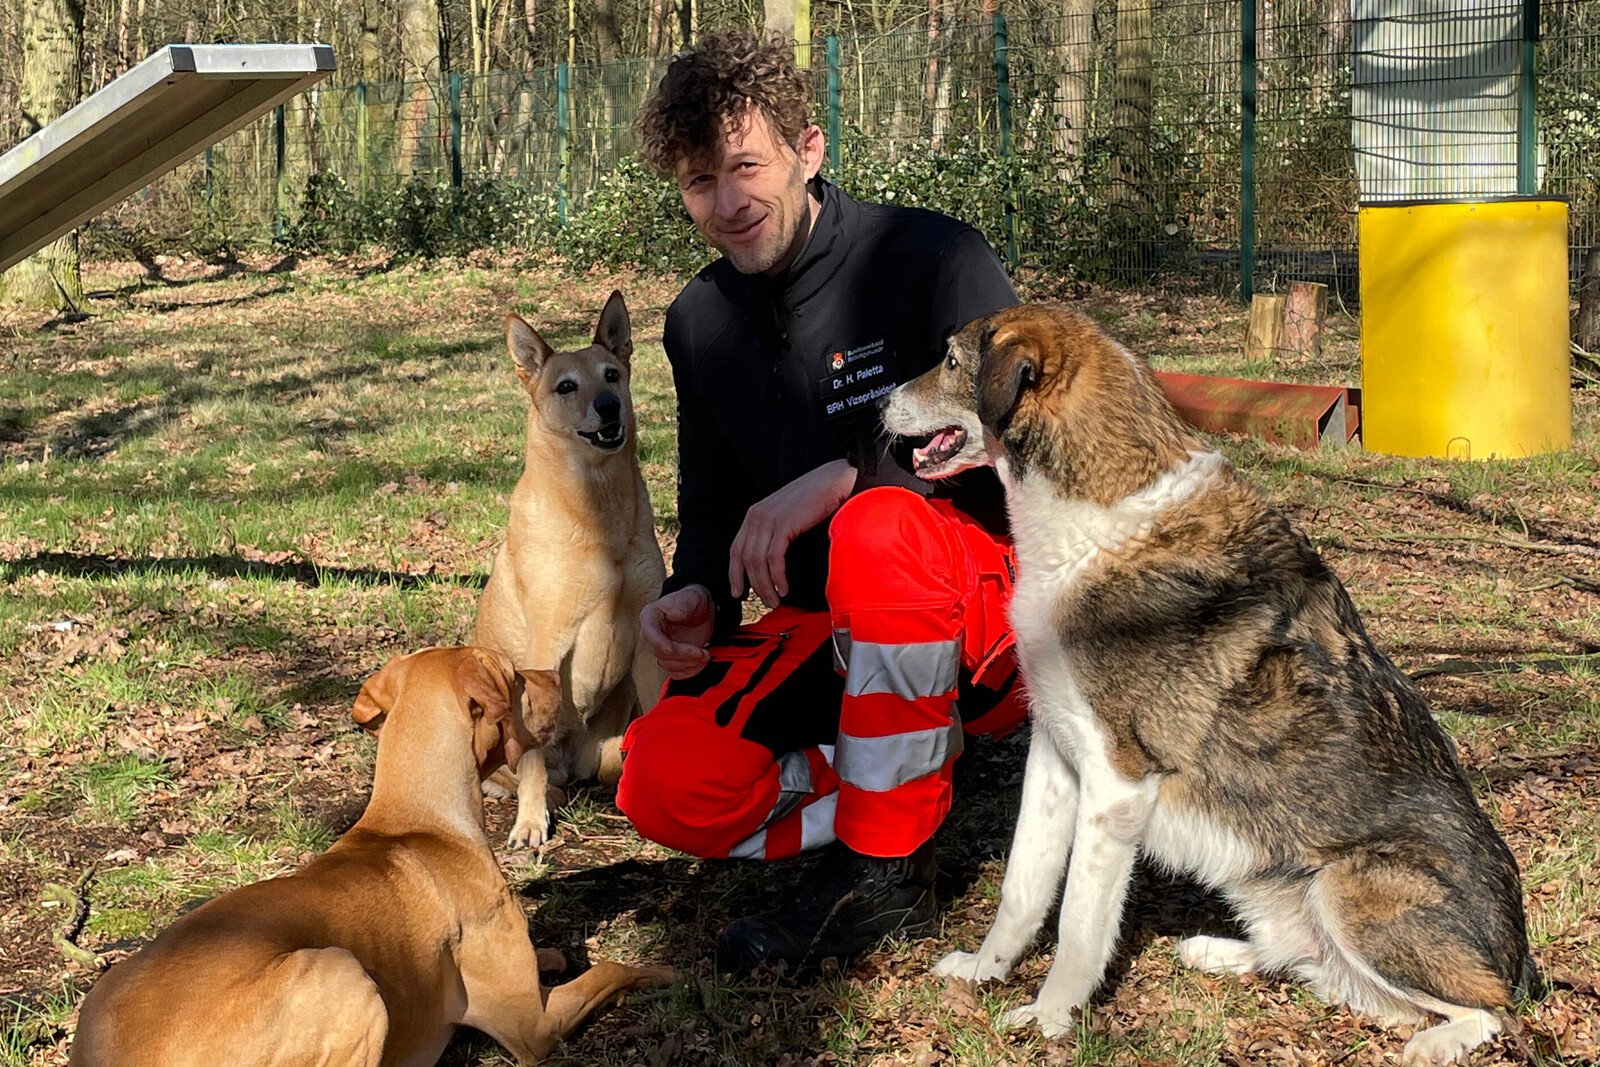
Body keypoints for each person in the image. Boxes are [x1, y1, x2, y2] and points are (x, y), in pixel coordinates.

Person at [615, 28, 1028, 974]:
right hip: (826, 628)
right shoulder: (697, 322)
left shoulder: (931, 256)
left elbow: (1023, 435)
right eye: (698, 183)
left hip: (985, 611)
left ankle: (885, 874)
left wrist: (851, 472)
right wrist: (696, 599)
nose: (728, 203)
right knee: (659, 781)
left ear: (810, 150)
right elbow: (715, 506)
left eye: (747, 166)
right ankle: (900, 769)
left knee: (878, 525)